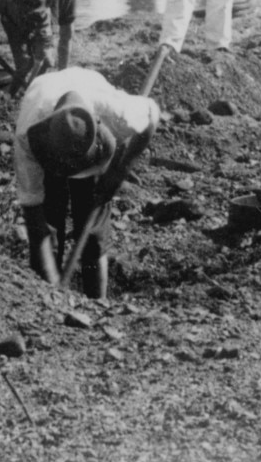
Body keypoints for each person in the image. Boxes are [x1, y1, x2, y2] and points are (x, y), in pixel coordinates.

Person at [14, 67, 160, 301]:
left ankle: (96, 303)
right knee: (51, 221)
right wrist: (52, 294)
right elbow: (34, 219)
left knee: (91, 232)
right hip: (45, 109)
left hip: (85, 93)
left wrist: (120, 170)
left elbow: (152, 115)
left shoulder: (117, 112)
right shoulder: (28, 140)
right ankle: (47, 291)